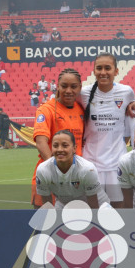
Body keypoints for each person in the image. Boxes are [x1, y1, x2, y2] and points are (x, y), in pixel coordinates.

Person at [80, 53, 135, 209]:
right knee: (92, 210)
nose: (103, 72)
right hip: (90, 163)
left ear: (116, 71)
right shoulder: (83, 93)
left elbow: (134, 108)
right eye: (99, 68)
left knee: (120, 209)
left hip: (117, 163)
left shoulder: (126, 92)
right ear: (94, 71)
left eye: (107, 68)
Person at [31, 68, 85, 207]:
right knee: (45, 226)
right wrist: (56, 171)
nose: (68, 91)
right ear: (57, 86)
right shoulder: (46, 110)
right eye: (64, 86)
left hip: (76, 180)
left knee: (75, 226)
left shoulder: (81, 109)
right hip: (50, 178)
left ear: (80, 87)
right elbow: (41, 142)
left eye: (73, 87)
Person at [35, 130, 109, 209]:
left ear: (74, 148)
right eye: (55, 146)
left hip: (98, 205)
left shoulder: (87, 169)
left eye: (65, 145)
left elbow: (94, 205)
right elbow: (47, 205)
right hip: (64, 205)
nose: (59, 149)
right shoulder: (43, 170)